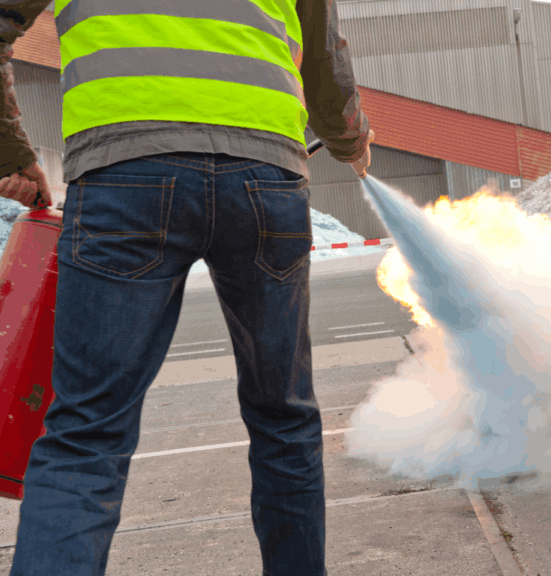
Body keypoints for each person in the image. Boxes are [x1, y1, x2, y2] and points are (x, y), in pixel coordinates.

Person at [0, 0, 374, 574]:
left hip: (124, 172)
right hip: (264, 175)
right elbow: (323, 51)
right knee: (284, 418)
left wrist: (9, 152)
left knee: (86, 434)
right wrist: (348, 139)